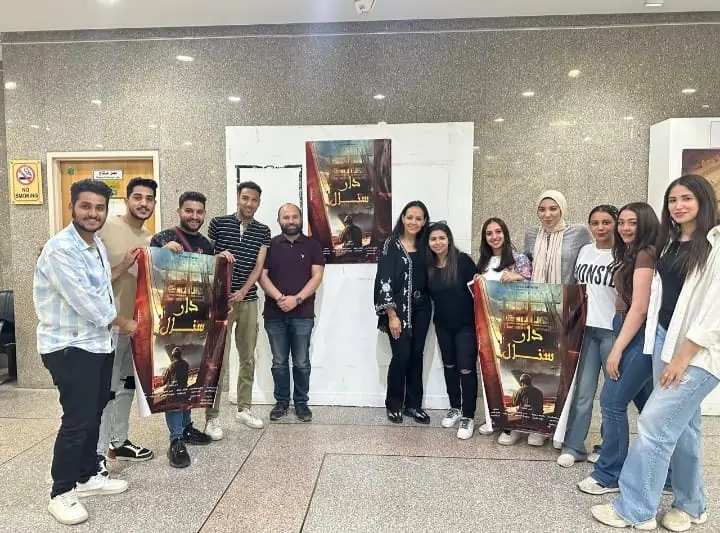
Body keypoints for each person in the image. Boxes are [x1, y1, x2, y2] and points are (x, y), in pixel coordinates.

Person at [591, 176, 720, 530]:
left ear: (703, 200)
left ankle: (635, 509)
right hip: (665, 339)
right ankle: (691, 505)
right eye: (672, 200)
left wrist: (682, 357)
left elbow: (715, 312)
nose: (678, 206)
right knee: (685, 427)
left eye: (686, 198)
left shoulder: (716, 244)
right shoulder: (671, 242)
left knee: (653, 423)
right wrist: (659, 345)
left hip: (698, 352)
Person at [34, 179, 137, 526]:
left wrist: (126, 265)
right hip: (69, 346)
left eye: (99, 208)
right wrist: (125, 322)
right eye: (86, 206)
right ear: (72, 207)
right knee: (77, 419)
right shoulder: (60, 250)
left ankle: (87, 475)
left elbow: (101, 286)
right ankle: (61, 492)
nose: (93, 213)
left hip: (97, 344)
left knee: (94, 411)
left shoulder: (95, 245)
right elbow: (87, 302)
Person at [577, 202, 660, 495]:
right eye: (622, 222)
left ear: (645, 223)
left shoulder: (645, 254)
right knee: (649, 405)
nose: (625, 228)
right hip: (625, 326)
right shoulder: (631, 252)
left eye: (632, 222)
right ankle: (669, 475)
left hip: (634, 331)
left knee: (611, 402)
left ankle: (609, 474)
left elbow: (639, 308)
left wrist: (617, 349)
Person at [150, 191, 234, 468]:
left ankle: (186, 426)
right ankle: (175, 439)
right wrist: (162, 253)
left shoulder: (206, 244)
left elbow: (209, 281)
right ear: (179, 211)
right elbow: (151, 274)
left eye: (199, 212)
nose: (194, 216)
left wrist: (221, 262)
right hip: (173, 319)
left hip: (198, 318)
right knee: (176, 378)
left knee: (190, 372)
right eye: (189, 211)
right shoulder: (162, 239)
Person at [95, 177, 156, 475]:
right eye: (138, 197)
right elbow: (88, 280)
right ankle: (96, 455)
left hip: (137, 329)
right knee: (104, 391)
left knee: (127, 386)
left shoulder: (149, 238)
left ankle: (118, 442)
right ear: (127, 199)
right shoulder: (104, 228)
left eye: (149, 199)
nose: (143, 203)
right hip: (108, 327)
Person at [522, 190, 592, 448]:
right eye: (542, 209)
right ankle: (540, 426)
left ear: (562, 209)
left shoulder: (579, 233)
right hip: (537, 310)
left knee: (564, 371)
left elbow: (583, 267)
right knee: (539, 369)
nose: (547, 214)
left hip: (567, 312)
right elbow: (527, 267)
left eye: (553, 209)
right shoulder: (532, 234)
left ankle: (560, 428)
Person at [204, 181, 272, 437]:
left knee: (247, 358)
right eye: (245, 198)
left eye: (254, 200)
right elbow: (206, 257)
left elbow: (259, 265)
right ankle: (211, 418)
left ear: (258, 203)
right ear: (238, 197)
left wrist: (243, 291)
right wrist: (218, 256)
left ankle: (244, 408)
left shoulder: (263, 230)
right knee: (217, 361)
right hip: (220, 301)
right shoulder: (218, 223)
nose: (249, 203)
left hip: (249, 300)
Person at [557, 205, 620, 467]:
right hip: (586, 331)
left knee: (611, 396)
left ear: (616, 224)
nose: (600, 228)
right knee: (583, 392)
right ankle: (574, 446)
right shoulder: (585, 251)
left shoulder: (624, 255)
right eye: (595, 223)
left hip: (613, 332)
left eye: (606, 222)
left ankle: (608, 447)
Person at [259, 203, 325, 422]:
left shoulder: (313, 245)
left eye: (294, 217)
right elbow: (261, 275)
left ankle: (301, 403)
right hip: (274, 314)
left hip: (303, 313)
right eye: (286, 217)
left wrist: (296, 299)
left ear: (301, 219)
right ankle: (281, 403)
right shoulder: (270, 245)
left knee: (301, 362)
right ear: (279, 221)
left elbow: (317, 277)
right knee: (279, 362)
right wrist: (280, 298)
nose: (290, 221)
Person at [473, 217, 532, 439]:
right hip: (489, 328)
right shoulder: (483, 262)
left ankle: (514, 426)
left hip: (513, 328)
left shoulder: (519, 259)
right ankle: (494, 418)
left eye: (498, 232)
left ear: (505, 233)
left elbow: (534, 288)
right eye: (489, 233)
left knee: (511, 376)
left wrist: (519, 278)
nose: (494, 237)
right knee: (491, 375)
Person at [374, 200, 432, 424]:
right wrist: (392, 315)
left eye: (418, 218)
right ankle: (394, 404)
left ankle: (413, 405)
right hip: (399, 310)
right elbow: (384, 280)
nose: (413, 222)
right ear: (403, 218)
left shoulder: (426, 244)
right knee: (401, 356)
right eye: (410, 217)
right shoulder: (391, 244)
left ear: (424, 221)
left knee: (417, 355)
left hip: (423, 308)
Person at [426, 222, 477, 439]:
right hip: (442, 325)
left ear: (449, 239)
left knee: (466, 369)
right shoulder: (428, 266)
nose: (438, 242)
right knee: (449, 367)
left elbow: (478, 292)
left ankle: (468, 415)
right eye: (433, 239)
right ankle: (455, 407)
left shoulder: (463, 261)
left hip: (466, 325)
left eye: (442, 238)